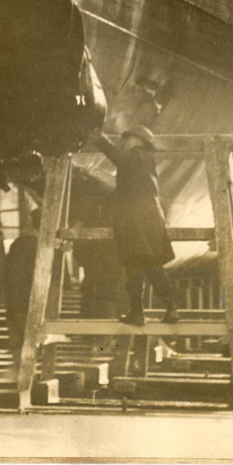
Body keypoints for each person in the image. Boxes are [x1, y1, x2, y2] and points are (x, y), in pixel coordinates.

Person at [94, 126, 177, 325]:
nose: (125, 142)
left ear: (139, 141)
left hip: (135, 217)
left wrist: (98, 138)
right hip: (151, 216)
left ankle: (137, 313)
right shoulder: (149, 160)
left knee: (134, 264)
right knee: (153, 265)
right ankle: (172, 309)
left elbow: (117, 157)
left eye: (128, 139)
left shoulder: (136, 156)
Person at [3, 210, 40, 361]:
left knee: (18, 332)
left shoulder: (19, 241)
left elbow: (8, 269)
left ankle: (19, 365)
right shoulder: (35, 243)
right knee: (27, 331)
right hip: (28, 293)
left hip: (15, 293)